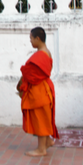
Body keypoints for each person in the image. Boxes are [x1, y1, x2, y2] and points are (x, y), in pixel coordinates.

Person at [18, 27, 58, 157]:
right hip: (44, 87)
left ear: (37, 38)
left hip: (39, 89)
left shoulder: (40, 55)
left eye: (31, 38)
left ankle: (41, 149)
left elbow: (30, 74)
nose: (30, 41)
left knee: (41, 118)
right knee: (45, 116)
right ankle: (47, 141)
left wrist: (21, 84)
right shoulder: (47, 52)